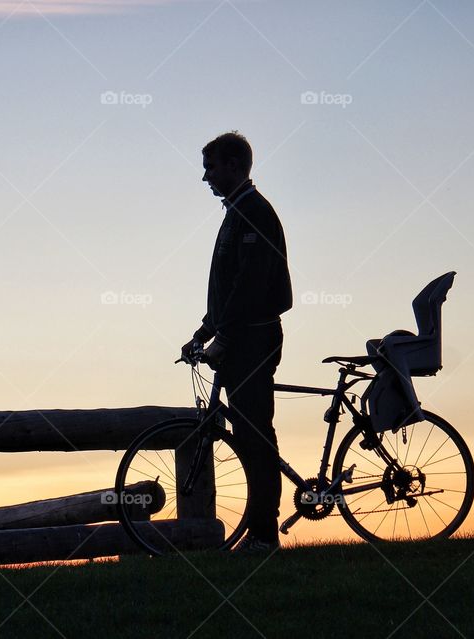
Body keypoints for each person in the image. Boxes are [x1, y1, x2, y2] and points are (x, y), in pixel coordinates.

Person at [181, 131, 293, 553]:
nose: (205, 176)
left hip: (253, 340)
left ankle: (264, 535)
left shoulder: (253, 213)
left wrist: (222, 336)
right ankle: (260, 531)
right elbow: (229, 290)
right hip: (240, 337)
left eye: (211, 166)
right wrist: (203, 332)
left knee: (254, 435)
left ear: (233, 165)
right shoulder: (238, 212)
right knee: (248, 433)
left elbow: (249, 286)